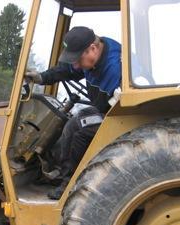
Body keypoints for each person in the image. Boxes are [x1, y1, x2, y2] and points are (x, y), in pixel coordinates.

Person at [26, 26, 121, 199]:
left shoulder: (114, 68)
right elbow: (69, 70)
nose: (76, 64)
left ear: (92, 48)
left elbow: (107, 109)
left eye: (77, 59)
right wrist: (42, 77)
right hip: (104, 106)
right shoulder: (94, 53)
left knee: (80, 130)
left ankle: (70, 183)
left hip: (116, 114)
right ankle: (63, 174)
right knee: (73, 122)